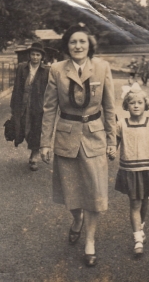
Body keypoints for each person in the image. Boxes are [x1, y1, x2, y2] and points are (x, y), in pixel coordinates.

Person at [40, 23, 116, 267]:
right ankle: (76, 220)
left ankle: (90, 241)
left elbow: (110, 108)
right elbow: (50, 108)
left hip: (95, 136)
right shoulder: (56, 70)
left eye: (82, 41)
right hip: (66, 135)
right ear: (67, 46)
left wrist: (112, 140)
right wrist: (44, 143)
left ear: (89, 45)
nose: (78, 46)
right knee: (70, 193)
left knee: (95, 191)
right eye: (73, 42)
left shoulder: (102, 67)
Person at [109, 89, 149, 257]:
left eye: (139, 103)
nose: (136, 106)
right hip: (130, 170)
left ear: (145, 104)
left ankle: (141, 225)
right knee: (135, 204)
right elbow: (114, 146)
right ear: (126, 106)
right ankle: (137, 239)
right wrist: (110, 152)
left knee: (145, 200)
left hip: (148, 169)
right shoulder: (121, 125)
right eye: (132, 103)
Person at [10, 42, 49, 171]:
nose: (35, 57)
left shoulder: (46, 70)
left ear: (42, 57)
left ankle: (34, 155)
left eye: (38, 55)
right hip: (23, 104)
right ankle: (33, 148)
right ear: (29, 55)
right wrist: (13, 104)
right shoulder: (22, 67)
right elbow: (16, 87)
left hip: (37, 105)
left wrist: (46, 106)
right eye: (33, 54)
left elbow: (48, 90)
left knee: (36, 129)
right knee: (23, 127)